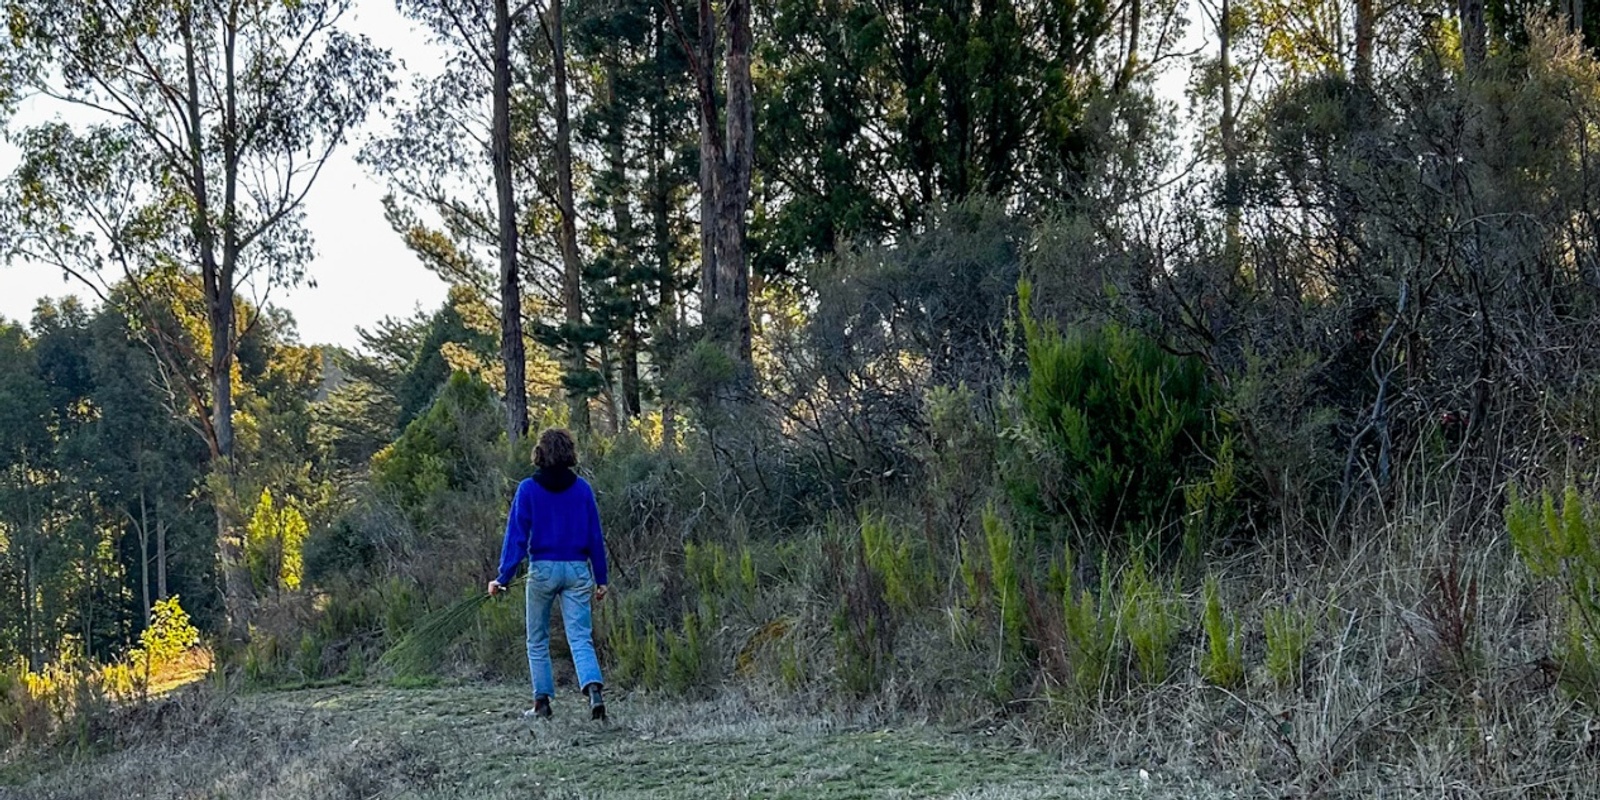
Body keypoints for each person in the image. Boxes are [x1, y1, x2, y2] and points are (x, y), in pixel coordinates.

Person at [488, 428, 610, 721]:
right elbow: (595, 536)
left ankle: (542, 704)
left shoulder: (528, 489)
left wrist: (502, 578)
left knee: (537, 640)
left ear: (540, 453)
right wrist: (601, 578)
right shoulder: (582, 489)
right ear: (570, 452)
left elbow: (516, 537)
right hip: (578, 570)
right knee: (580, 638)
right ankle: (594, 692)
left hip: (542, 570)